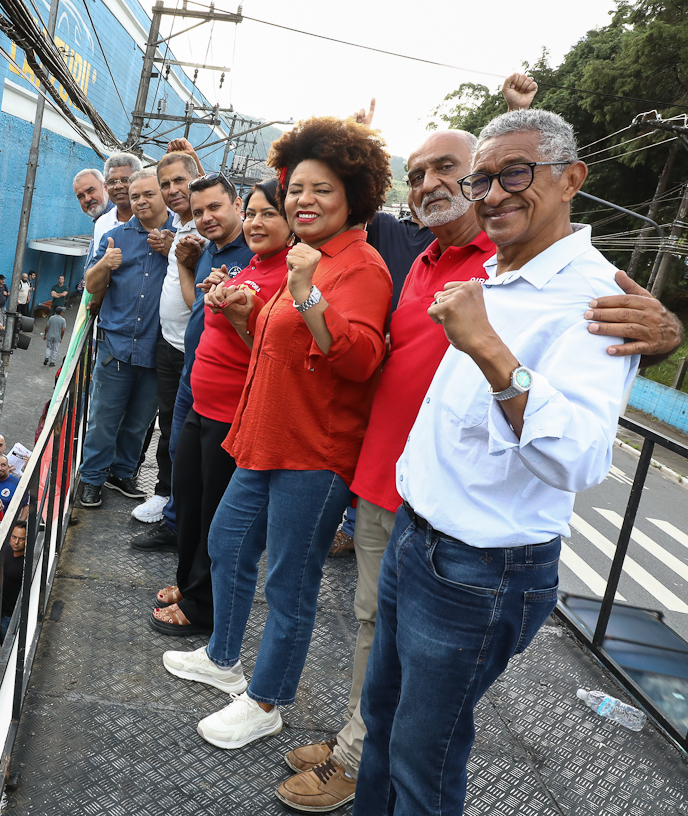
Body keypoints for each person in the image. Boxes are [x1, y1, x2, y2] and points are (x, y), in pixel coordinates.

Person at [353, 109, 647, 816]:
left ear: (572, 178)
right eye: (483, 177)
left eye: (516, 173)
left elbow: (577, 458)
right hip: (414, 538)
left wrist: (488, 349)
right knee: (380, 726)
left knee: (424, 760)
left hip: (477, 573)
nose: (494, 192)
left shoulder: (594, 299)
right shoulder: (490, 267)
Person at [162, 115, 394, 752]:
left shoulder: (360, 268)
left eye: (321, 190)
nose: (303, 201)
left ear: (353, 196)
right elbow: (274, 346)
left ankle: (266, 700)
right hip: (264, 437)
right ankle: (224, 658)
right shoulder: (307, 261)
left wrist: (305, 291)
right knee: (226, 540)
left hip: (314, 453)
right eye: (296, 189)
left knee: (290, 583)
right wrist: (244, 315)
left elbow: (361, 359)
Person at [150, 178, 290, 636]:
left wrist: (237, 312)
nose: (255, 222)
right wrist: (215, 284)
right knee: (189, 502)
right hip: (202, 403)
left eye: (267, 213)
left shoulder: (290, 275)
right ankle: (188, 583)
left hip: (232, 413)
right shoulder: (253, 264)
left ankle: (204, 606)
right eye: (252, 214)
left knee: (214, 514)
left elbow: (272, 354)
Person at [79, 168, 176, 506]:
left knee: (138, 424)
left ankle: (122, 473)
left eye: (148, 194)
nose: (141, 201)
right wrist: (106, 263)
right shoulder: (116, 236)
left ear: (163, 194)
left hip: (156, 348)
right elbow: (91, 285)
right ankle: (91, 478)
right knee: (103, 420)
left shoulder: (180, 239)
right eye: (135, 196)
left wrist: (174, 251)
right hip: (115, 346)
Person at [129, 149, 202, 522]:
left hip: (195, 350)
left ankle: (179, 507)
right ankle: (165, 494)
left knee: (186, 432)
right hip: (168, 342)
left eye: (180, 181)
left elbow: (208, 192)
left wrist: (195, 164)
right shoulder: (180, 225)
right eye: (166, 184)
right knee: (168, 424)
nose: (173, 190)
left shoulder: (205, 225)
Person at [0, 521, 28, 633]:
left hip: (12, 616)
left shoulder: (28, 563)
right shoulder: (7, 550)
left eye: (21, 539)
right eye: (14, 537)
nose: (16, 542)